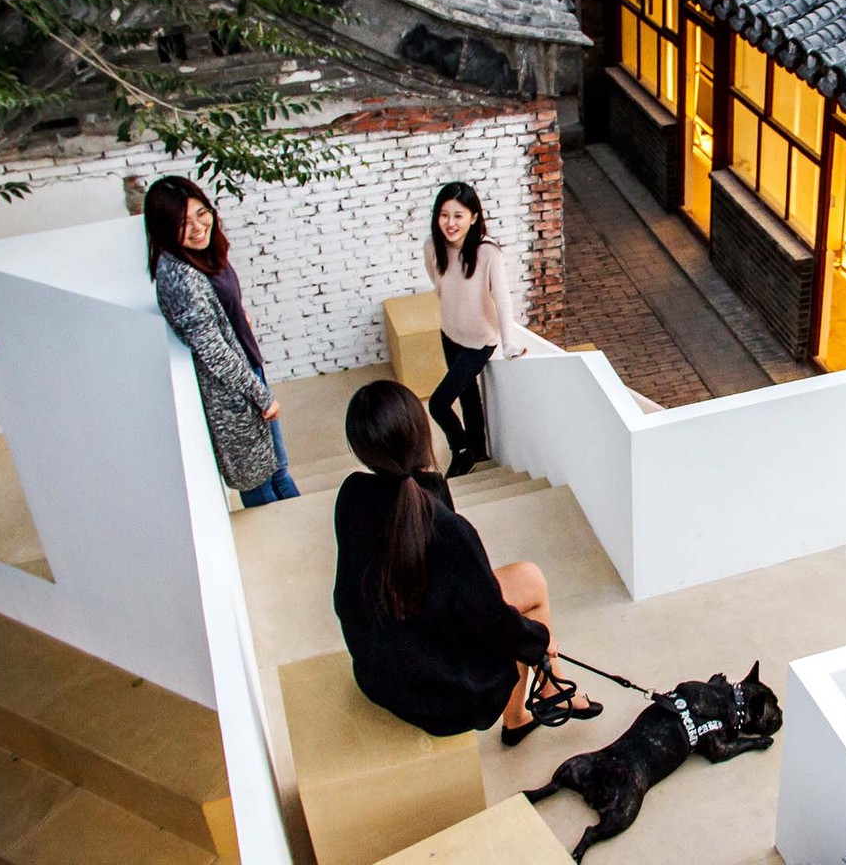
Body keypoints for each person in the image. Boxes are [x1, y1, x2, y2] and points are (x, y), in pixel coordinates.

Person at [333, 379, 600, 744]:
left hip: (379, 674)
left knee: (528, 579)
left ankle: (536, 700)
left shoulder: (351, 496)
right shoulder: (447, 529)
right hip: (441, 693)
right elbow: (492, 619)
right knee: (526, 606)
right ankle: (525, 709)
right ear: (422, 436)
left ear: (360, 448)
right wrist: (540, 642)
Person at [145, 176, 299, 506]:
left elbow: (220, 309)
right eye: (183, 223)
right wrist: (261, 396)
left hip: (249, 371)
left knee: (279, 471)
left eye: (202, 213)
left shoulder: (203, 254)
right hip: (235, 395)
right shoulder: (181, 278)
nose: (198, 227)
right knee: (260, 484)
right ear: (163, 228)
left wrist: (237, 315)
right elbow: (214, 352)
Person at [424, 181, 525, 479]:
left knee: (438, 403)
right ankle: (478, 452)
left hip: (480, 341)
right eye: (444, 215)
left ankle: (461, 450)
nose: (450, 223)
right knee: (468, 397)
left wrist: (508, 343)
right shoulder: (432, 247)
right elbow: (438, 282)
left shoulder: (488, 253)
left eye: (458, 215)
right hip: (449, 334)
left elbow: (502, 299)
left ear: (474, 217)